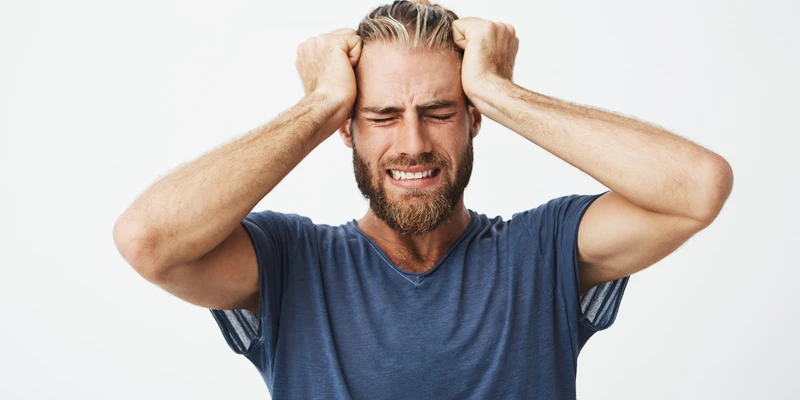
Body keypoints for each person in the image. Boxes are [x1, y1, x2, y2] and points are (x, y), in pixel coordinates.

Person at [112, 0, 733, 398]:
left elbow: (696, 188)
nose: (413, 143)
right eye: (381, 115)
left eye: (439, 111)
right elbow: (149, 242)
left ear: (474, 121)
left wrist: (498, 90)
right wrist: (318, 103)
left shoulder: (542, 250)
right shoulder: (289, 260)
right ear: (346, 129)